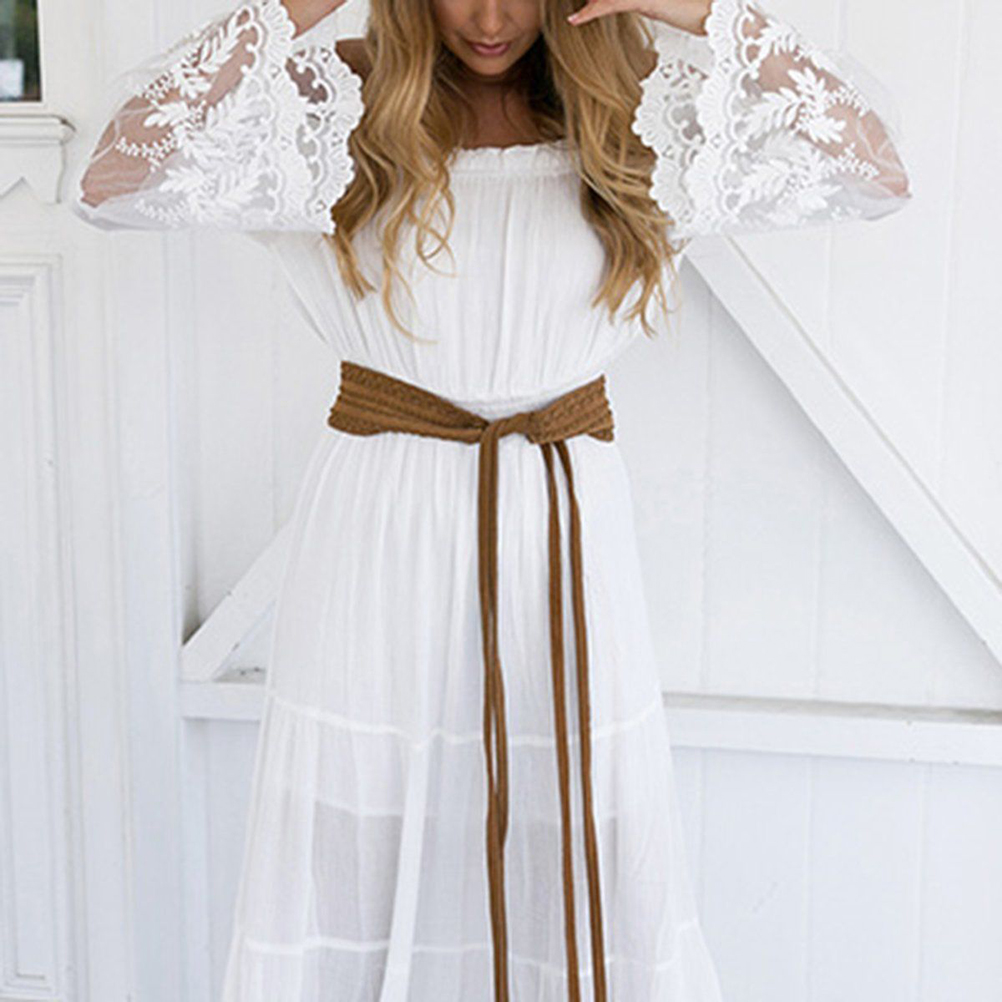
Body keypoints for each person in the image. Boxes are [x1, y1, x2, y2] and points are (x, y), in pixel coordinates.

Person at [71, 0, 911, 997]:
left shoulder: (646, 110)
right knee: (352, 823)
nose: (488, 17)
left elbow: (872, 169)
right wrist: (298, 9)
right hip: (381, 523)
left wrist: (687, 8)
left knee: (589, 821)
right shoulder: (327, 102)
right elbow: (113, 179)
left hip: (565, 524)